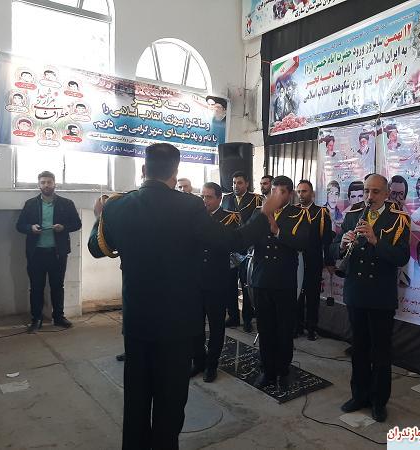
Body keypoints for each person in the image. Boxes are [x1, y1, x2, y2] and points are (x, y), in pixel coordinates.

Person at [88, 143, 282, 450]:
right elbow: (232, 240)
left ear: (144, 170)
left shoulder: (117, 206)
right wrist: (264, 213)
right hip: (177, 324)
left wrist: (99, 217)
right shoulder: (189, 207)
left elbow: (96, 248)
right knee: (170, 402)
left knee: (136, 399)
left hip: (137, 321)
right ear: (175, 172)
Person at [332, 174, 410, 422]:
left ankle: (378, 401)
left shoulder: (399, 218)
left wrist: (375, 240)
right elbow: (333, 247)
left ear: (386, 194)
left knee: (381, 352)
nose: (369, 196)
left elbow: (402, 257)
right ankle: (359, 395)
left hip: (380, 295)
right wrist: (342, 245)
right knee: (359, 349)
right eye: (367, 191)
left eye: (375, 192)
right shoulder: (353, 215)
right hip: (356, 292)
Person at [249, 176, 309, 389]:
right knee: (265, 329)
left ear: (290, 194)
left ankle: (283, 370)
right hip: (262, 278)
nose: (277, 196)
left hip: (284, 280)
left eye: (282, 192)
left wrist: (277, 231)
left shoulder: (298, 214)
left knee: (284, 329)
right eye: (274, 191)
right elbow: (247, 237)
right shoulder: (259, 212)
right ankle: (267, 370)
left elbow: (302, 242)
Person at [16, 171, 82, 332]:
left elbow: (77, 224)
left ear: (54, 184)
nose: (46, 185)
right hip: (36, 253)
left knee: (58, 286)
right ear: (39, 185)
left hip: (58, 253)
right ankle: (36, 319)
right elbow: (19, 225)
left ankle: (58, 317)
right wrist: (30, 228)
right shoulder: (30, 204)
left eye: (49, 182)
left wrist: (63, 227)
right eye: (43, 182)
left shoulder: (66, 203)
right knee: (36, 287)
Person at [191, 182, 241, 383]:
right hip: (196, 280)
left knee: (216, 325)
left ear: (219, 198)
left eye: (209, 197)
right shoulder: (194, 218)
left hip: (217, 280)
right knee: (195, 325)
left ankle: (212, 364)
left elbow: (231, 245)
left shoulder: (230, 218)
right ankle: (198, 361)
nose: (205, 200)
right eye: (202, 196)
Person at [221, 171, 263, 332]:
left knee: (246, 285)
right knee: (229, 284)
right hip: (230, 248)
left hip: (247, 249)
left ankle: (247, 318)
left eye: (239, 183)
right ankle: (233, 316)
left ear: (246, 183)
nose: (236, 186)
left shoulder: (256, 199)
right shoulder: (226, 199)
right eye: (234, 183)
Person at [295, 180, 334, 341]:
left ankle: (312, 328)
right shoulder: (293, 211)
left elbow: (327, 240)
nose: (301, 195)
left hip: (314, 260)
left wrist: (329, 262)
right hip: (296, 261)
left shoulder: (321, 212)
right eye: (298, 191)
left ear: (312, 193)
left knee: (312, 296)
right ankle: (296, 326)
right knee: (296, 294)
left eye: (304, 191)